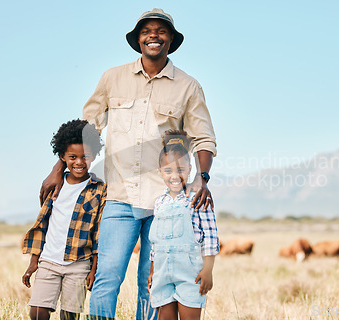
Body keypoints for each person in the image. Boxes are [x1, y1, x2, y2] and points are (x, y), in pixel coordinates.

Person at [39, 8, 217, 320]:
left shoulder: (188, 86)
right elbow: (85, 130)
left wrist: (201, 177)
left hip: (165, 204)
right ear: (137, 39)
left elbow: (204, 139)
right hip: (118, 197)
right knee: (107, 278)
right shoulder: (112, 78)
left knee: (152, 283)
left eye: (161, 31)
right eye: (147, 30)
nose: (154, 35)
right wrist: (58, 169)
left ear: (171, 39)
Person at [22, 120, 106, 320]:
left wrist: (94, 270)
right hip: (49, 261)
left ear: (94, 155)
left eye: (85, 157)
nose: (79, 162)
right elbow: (41, 225)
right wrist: (34, 262)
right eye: (72, 157)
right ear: (62, 157)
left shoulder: (100, 190)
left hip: (79, 264)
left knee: (70, 315)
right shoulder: (55, 186)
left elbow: (98, 235)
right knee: (37, 311)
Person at [148, 130, 219, 320]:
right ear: (160, 172)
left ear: (189, 169)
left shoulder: (198, 196)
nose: (174, 176)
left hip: (190, 275)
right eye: (168, 170)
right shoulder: (159, 202)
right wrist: (153, 271)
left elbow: (210, 237)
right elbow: (155, 242)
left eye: (180, 170)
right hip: (162, 274)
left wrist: (208, 270)